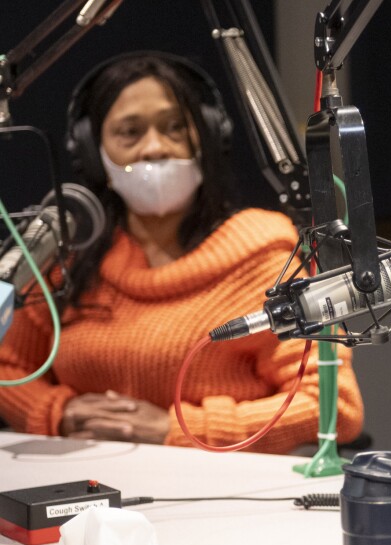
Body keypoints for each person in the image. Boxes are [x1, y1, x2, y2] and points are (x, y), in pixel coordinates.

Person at [0, 52, 364, 454]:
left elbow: (334, 405)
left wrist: (181, 428)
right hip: (87, 488)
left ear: (206, 136)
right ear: (93, 152)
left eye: (175, 127)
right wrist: (57, 413)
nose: (155, 147)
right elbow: (6, 369)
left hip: (218, 491)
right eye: (130, 132)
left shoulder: (264, 252)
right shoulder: (66, 257)